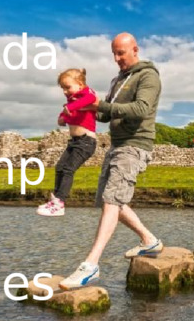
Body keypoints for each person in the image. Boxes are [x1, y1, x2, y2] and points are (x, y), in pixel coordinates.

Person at [60, 33, 163, 290]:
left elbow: (141, 109)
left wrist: (100, 105)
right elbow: (105, 115)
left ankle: (91, 264)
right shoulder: (117, 79)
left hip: (135, 145)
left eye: (121, 53)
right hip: (116, 145)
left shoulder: (148, 76)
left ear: (135, 50)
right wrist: (80, 108)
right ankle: (149, 239)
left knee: (111, 200)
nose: (117, 59)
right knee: (111, 199)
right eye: (114, 54)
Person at [37, 68, 97, 217]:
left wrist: (68, 108)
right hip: (75, 142)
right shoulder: (72, 101)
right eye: (63, 88)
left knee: (68, 169)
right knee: (60, 167)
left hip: (86, 142)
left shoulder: (87, 94)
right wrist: (62, 118)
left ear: (80, 84)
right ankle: (56, 199)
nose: (65, 91)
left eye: (68, 87)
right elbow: (68, 113)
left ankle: (60, 202)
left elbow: (89, 100)